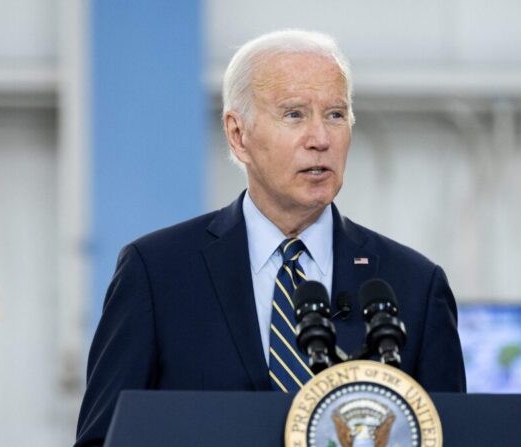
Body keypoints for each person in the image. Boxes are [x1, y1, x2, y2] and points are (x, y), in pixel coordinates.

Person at [74, 29, 465, 447]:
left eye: (335, 114)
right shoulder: (156, 273)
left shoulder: (414, 286)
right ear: (238, 135)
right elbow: (103, 438)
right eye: (294, 114)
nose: (320, 139)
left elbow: (453, 436)